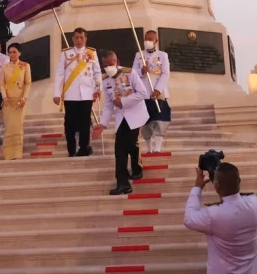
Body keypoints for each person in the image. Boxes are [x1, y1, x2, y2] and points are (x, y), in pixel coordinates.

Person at [183, 161, 257, 274]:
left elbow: (189, 219)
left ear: (216, 186)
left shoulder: (213, 215)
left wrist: (197, 188)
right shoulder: (255, 203)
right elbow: (237, 199)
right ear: (239, 181)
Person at [92, 51, 148, 195]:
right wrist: (102, 124)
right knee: (120, 149)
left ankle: (135, 169)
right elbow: (108, 105)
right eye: (105, 66)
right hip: (121, 118)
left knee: (130, 145)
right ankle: (123, 183)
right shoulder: (105, 80)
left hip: (135, 114)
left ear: (117, 62)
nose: (108, 68)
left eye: (110, 64)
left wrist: (123, 101)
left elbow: (142, 93)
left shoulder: (130, 73)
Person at [53, 27, 101, 157]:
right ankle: (71, 149)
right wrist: (56, 93)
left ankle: (83, 149)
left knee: (85, 123)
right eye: (77, 37)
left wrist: (98, 88)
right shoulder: (66, 54)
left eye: (81, 37)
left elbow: (97, 72)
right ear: (73, 39)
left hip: (86, 93)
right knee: (70, 124)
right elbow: (60, 74)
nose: (79, 40)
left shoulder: (92, 53)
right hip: (70, 94)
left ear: (86, 39)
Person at [133, 29, 171, 155]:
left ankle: (157, 148)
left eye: (150, 39)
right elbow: (133, 73)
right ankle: (149, 148)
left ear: (156, 41)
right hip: (144, 92)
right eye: (146, 39)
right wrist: (141, 71)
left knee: (160, 120)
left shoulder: (162, 55)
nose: (147, 41)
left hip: (158, 92)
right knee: (146, 122)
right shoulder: (139, 55)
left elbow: (165, 73)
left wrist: (158, 89)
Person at [0, 43, 31, 160]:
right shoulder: (4, 67)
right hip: (8, 102)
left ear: (19, 53)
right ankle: (8, 155)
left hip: (20, 101)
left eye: (14, 52)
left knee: (17, 128)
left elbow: (28, 83)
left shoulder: (25, 66)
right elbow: (1, 84)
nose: (12, 54)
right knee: (9, 128)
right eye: (10, 52)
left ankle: (17, 154)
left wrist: (24, 98)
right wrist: (4, 97)